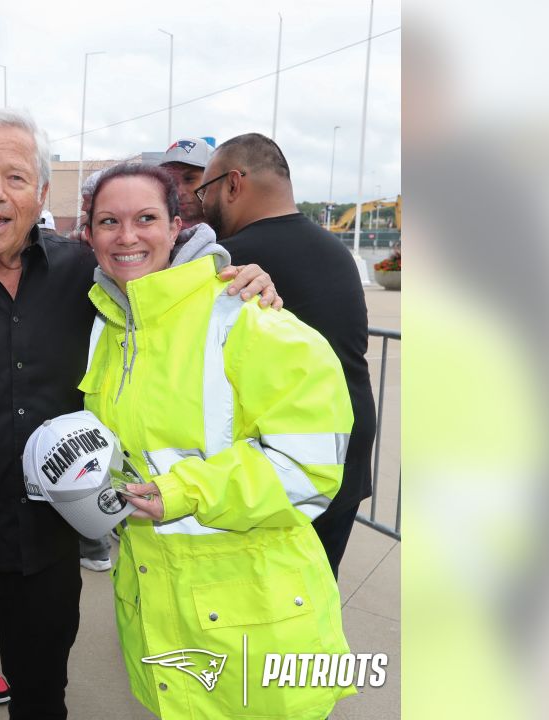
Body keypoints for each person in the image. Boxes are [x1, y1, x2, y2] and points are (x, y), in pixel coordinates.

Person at [0, 108, 279, 719]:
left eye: (16, 178)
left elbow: (170, 295)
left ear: (41, 193)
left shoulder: (86, 277)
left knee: (45, 700)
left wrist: (244, 279)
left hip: (49, 549)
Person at [78, 162, 355, 718]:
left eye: (146, 218)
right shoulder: (111, 326)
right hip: (165, 609)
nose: (127, 236)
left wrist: (181, 492)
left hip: (256, 623)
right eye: (109, 221)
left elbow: (310, 470)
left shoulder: (247, 315)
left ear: (178, 225)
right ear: (88, 234)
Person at [198, 133, 377, 577]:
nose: (202, 202)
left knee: (260, 613)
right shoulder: (339, 253)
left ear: (233, 184)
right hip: (345, 454)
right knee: (316, 596)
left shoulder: (229, 264)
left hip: (281, 470)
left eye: (206, 189)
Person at [159, 137, 217, 247]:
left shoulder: (235, 231)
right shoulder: (159, 238)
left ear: (213, 178)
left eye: (189, 179)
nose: (179, 192)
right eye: (172, 181)